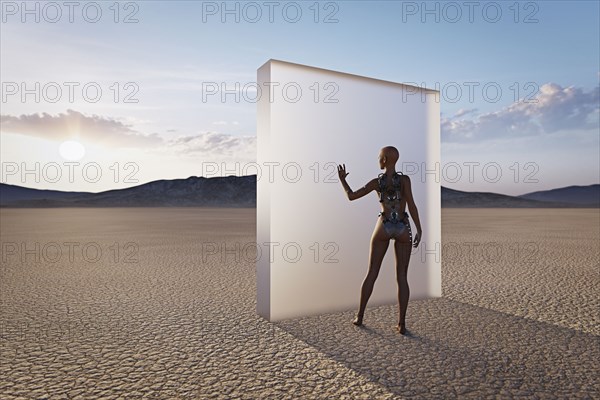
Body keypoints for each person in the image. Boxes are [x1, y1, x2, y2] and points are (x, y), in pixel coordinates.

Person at [337, 146, 422, 334]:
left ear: (384, 160)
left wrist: (343, 180)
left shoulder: (377, 182)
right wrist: (419, 228)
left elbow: (352, 196)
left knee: (372, 273)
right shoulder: (405, 180)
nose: (378, 160)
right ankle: (401, 324)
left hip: (383, 226)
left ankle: (359, 316)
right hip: (402, 226)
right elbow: (412, 205)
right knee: (402, 277)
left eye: (379, 157)